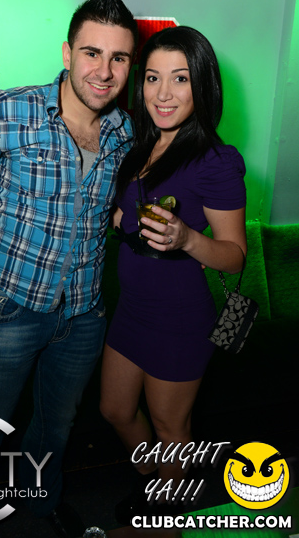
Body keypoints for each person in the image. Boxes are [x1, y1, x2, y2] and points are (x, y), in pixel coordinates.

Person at [0, 0, 137, 538]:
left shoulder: (124, 130)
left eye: (118, 58)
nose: (104, 71)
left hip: (83, 315)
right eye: (92, 53)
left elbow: (105, 207)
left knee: (55, 430)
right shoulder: (9, 111)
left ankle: (40, 507)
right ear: (67, 53)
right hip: (6, 310)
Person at [100, 26, 247, 524]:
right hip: (131, 310)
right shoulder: (140, 146)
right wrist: (121, 218)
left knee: (170, 427)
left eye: (180, 79)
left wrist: (186, 239)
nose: (163, 94)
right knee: (115, 410)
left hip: (179, 318)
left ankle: (168, 511)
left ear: (202, 85)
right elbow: (134, 215)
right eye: (152, 78)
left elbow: (235, 256)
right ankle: (157, 481)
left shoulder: (216, 161)